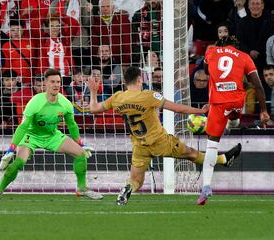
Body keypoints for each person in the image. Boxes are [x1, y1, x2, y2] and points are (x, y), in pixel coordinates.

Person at [87, 66, 242, 205]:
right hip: (161, 141)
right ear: (140, 79)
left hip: (140, 146)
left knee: (136, 181)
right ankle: (222, 160)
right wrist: (200, 111)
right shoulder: (148, 95)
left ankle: (127, 188)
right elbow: (177, 108)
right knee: (192, 154)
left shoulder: (117, 98)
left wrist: (94, 91)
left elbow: (93, 108)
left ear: (125, 81)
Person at [0, 69, 103, 200]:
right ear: (46, 84)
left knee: (80, 154)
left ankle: (82, 188)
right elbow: (23, 127)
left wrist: (80, 143)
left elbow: (72, 125)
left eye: (58, 82)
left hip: (52, 135)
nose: (56, 85)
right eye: (52, 82)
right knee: (19, 162)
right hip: (31, 135)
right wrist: (11, 149)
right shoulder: (35, 102)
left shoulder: (65, 103)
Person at [197, 36, 270, 205]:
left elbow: (206, 71)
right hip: (236, 101)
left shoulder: (212, 51)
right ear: (236, 46)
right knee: (235, 118)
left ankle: (206, 187)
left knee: (212, 144)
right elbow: (258, 85)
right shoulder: (244, 56)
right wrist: (264, 111)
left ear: (220, 44)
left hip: (218, 102)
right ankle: (233, 122)